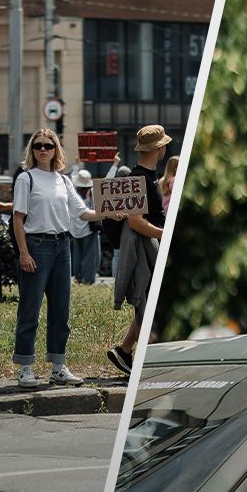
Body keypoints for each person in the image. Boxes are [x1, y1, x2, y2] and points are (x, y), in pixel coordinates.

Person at [11, 129, 110, 389]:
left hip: (63, 245)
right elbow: (18, 219)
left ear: (56, 149)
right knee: (30, 309)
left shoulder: (63, 181)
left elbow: (83, 213)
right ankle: (25, 367)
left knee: (60, 310)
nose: (43, 150)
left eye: (48, 145)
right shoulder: (26, 178)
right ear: (32, 150)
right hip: (36, 245)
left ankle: (58, 366)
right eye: (38, 146)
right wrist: (24, 252)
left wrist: (112, 210)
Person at [108, 125, 171, 371]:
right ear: (159, 148)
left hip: (152, 247)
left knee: (147, 304)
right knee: (147, 305)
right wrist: (165, 233)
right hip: (146, 250)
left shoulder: (149, 176)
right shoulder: (139, 179)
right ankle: (141, 359)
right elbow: (135, 221)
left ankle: (124, 351)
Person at [71, 170, 101, 285]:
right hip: (89, 228)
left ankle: (78, 277)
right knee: (90, 256)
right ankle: (88, 280)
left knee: (77, 255)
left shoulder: (73, 193)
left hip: (75, 230)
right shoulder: (91, 192)